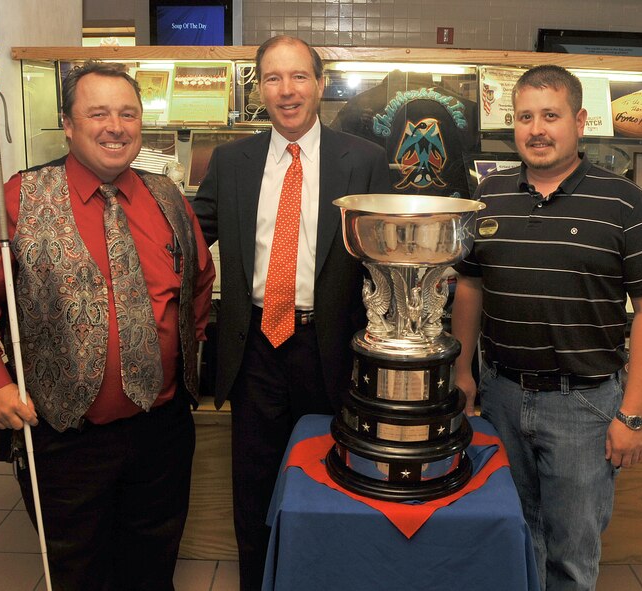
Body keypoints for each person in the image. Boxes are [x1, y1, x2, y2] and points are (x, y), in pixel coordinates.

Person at [0, 61, 215, 590]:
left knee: (153, 565)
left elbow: (198, 284)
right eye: (98, 113)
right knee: (78, 573)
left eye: (128, 114)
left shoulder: (169, 199)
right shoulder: (20, 199)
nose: (116, 127)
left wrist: (184, 347)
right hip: (65, 437)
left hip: (160, 432)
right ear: (67, 124)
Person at [451, 65, 642, 591]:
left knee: (572, 557)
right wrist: (462, 371)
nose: (536, 129)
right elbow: (470, 287)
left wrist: (634, 414)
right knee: (511, 540)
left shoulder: (623, 201)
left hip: (584, 407)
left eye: (550, 116)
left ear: (579, 121)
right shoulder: (489, 194)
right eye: (525, 117)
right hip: (501, 396)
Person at [191, 35, 391, 590]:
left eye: (299, 76)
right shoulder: (232, 161)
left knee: (331, 481)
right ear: (260, 88)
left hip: (331, 351)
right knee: (253, 488)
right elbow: (190, 235)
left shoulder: (364, 161)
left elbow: (385, 261)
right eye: (273, 78)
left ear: (320, 85)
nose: (287, 90)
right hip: (253, 349)